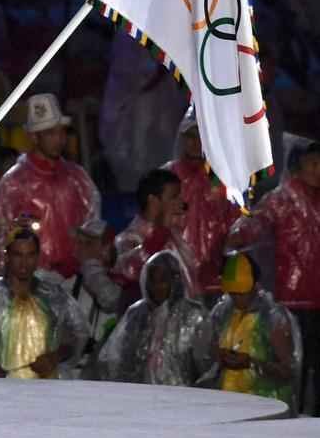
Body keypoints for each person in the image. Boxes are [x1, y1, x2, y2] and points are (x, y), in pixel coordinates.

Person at [227, 140, 320, 416]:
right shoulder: (281, 200)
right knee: (294, 368)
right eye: (313, 164)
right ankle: (293, 420)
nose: (318, 170)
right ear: (299, 167)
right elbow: (246, 231)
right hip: (292, 303)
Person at [0, 93, 101, 278]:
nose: (59, 139)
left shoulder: (77, 178)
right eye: (51, 133)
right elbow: (1, 239)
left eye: (61, 132)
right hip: (33, 281)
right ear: (34, 137)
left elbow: (93, 225)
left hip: (76, 280)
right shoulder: (13, 184)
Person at [96, 250, 213, 387]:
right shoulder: (136, 314)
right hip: (141, 395)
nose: (157, 286)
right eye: (152, 280)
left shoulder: (194, 315)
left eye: (163, 280)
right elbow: (117, 358)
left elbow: (206, 366)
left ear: (175, 281)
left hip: (182, 397)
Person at [0, 227, 89, 380]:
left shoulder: (54, 296)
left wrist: (55, 357)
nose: (24, 263)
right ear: (7, 257)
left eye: (30, 255)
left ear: (38, 257)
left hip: (45, 390)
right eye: (18, 255)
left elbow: (78, 333)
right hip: (2, 391)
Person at [165, 109, 241, 296]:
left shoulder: (227, 180)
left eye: (201, 135)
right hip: (177, 278)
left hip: (216, 281)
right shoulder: (167, 176)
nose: (195, 142)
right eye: (190, 136)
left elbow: (238, 228)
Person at [210, 253, 300, 408]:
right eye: (232, 294)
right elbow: (208, 355)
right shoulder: (223, 312)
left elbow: (289, 372)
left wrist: (251, 363)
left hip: (265, 407)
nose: (237, 299)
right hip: (228, 403)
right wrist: (219, 356)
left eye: (241, 293)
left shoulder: (273, 318)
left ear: (255, 286)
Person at [113, 168, 197, 303]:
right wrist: (161, 231)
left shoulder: (175, 234)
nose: (181, 202)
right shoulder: (128, 239)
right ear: (153, 201)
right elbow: (132, 272)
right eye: (174, 197)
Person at [60, 219, 122, 377]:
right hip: (69, 375)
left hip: (104, 378)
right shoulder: (67, 284)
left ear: (107, 250)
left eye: (88, 244)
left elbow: (109, 298)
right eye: (79, 242)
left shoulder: (121, 283)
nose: (80, 249)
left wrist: (91, 267)